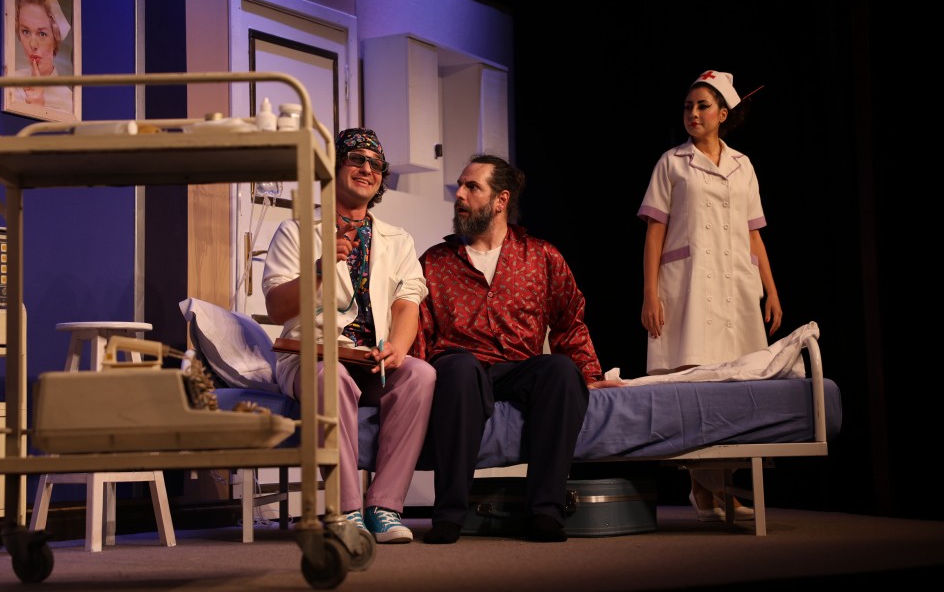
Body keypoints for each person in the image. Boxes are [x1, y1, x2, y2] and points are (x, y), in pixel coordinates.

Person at [412, 154, 622, 545]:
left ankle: (545, 511)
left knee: (560, 371)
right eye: (459, 186)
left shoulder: (541, 256)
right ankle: (449, 514)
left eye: (472, 187)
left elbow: (569, 321)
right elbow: (419, 332)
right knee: (458, 369)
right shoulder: (435, 262)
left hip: (519, 367)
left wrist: (589, 375)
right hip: (462, 366)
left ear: (501, 200)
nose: (459, 195)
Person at [261, 128, 435, 544]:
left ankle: (385, 506)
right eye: (357, 159)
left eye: (376, 165)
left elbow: (407, 302)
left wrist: (399, 347)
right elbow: (277, 308)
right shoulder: (296, 231)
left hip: (370, 359)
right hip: (311, 357)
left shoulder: (398, 240)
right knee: (333, 376)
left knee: (420, 375)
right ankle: (346, 510)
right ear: (334, 166)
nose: (367, 169)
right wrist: (318, 271)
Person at [637, 69, 782, 521]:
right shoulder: (672, 162)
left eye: (703, 106)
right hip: (689, 287)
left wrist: (771, 290)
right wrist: (650, 293)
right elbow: (654, 232)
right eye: (688, 106)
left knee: (737, 389)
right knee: (697, 389)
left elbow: (753, 234)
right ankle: (709, 489)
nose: (693, 113)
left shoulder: (743, 165)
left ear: (723, 113)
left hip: (736, 287)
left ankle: (713, 490)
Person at [11, 0, 73, 113]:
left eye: (42, 34)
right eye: (26, 32)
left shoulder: (69, 100)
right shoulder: (10, 82)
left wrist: (39, 109)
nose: (33, 44)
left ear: (55, 38)